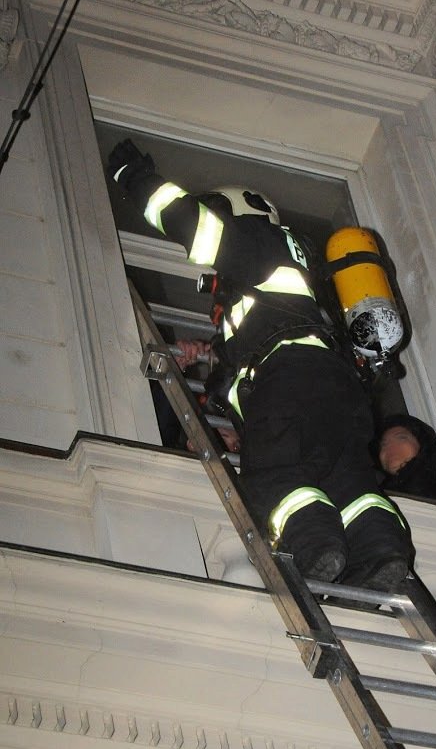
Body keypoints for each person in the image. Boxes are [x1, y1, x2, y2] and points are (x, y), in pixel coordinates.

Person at [108, 139, 412, 594]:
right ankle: (381, 549)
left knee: (275, 471)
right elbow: (256, 354)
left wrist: (131, 176)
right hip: (339, 390)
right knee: (345, 477)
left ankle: (315, 546)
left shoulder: (255, 243)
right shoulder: (304, 271)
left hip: (289, 376)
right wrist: (214, 381)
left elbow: (185, 219)